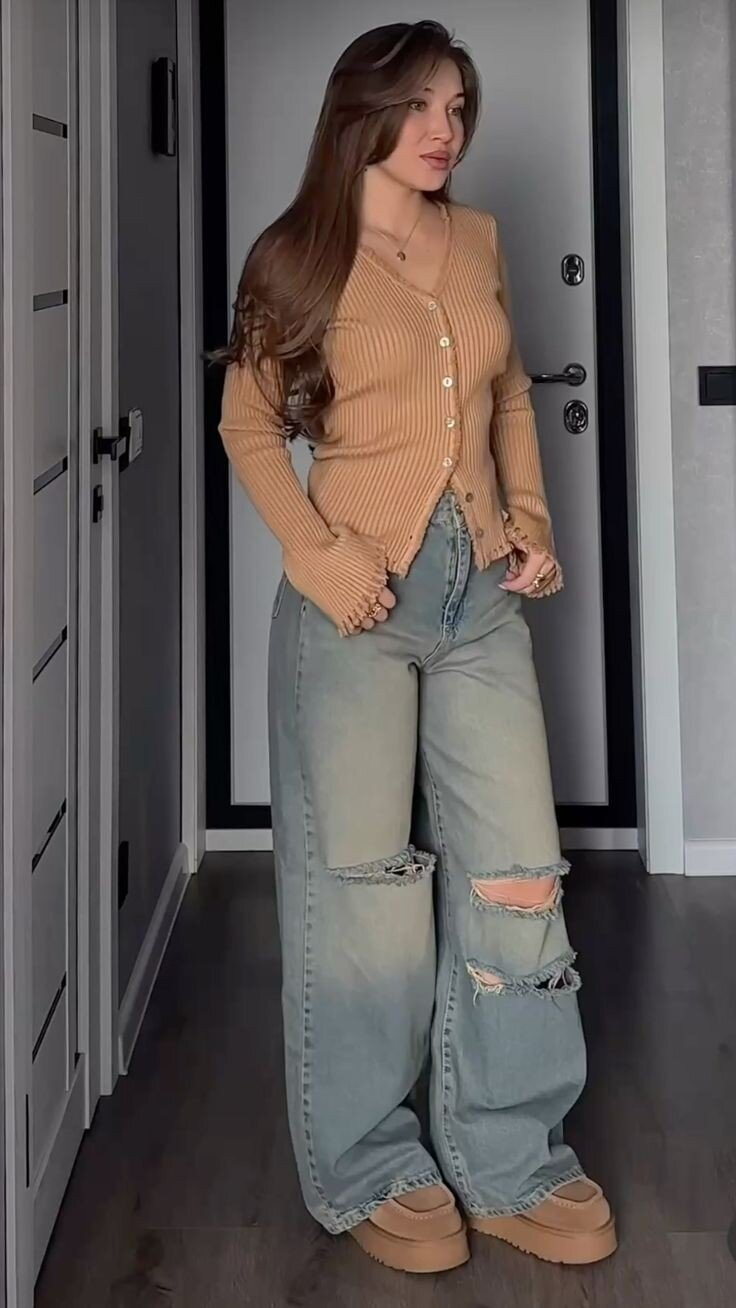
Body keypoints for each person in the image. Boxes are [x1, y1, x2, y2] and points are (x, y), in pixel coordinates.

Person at [215, 18, 617, 1276]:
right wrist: (323, 559)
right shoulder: (296, 255)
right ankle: (369, 1160)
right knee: (367, 902)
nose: (445, 130)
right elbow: (246, 426)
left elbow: (504, 393)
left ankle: (508, 1153)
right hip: (356, 611)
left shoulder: (478, 239)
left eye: (458, 107)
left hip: (480, 599)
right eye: (422, 105)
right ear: (362, 113)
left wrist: (529, 523)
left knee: (518, 879)